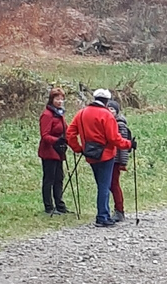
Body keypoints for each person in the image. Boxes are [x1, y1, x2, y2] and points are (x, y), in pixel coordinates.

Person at [67, 89, 134, 227]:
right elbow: (114, 138)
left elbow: (70, 133)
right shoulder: (107, 115)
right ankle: (102, 216)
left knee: (101, 185)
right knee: (104, 186)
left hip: (90, 154)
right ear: (107, 101)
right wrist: (129, 144)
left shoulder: (82, 113)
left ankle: (104, 214)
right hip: (106, 155)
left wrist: (78, 148)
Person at [38, 87, 69, 215]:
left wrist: (68, 140)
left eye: (62, 99)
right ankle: (49, 207)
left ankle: (60, 205)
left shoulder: (60, 114)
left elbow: (66, 129)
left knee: (59, 178)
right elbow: (44, 135)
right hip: (49, 150)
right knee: (49, 179)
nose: (60, 101)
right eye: (57, 99)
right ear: (52, 100)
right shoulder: (47, 114)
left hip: (59, 150)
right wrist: (57, 140)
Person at [107, 99, 132, 222]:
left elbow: (123, 146)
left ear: (117, 111)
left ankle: (119, 210)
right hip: (110, 158)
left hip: (116, 160)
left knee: (114, 184)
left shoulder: (120, 124)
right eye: (108, 108)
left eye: (112, 109)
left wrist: (123, 162)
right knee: (111, 184)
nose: (110, 111)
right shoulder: (109, 122)